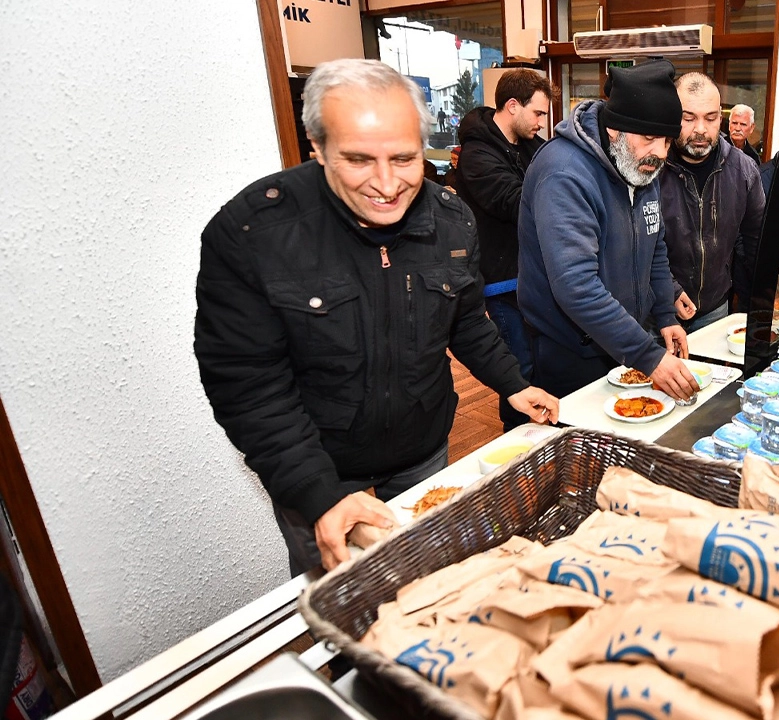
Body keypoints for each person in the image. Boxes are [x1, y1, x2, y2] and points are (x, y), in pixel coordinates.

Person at [194, 59, 559, 574]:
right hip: (317, 464)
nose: (387, 184)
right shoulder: (253, 233)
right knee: (339, 593)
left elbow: (467, 319)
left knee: (429, 576)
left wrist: (511, 383)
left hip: (420, 447)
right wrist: (316, 494)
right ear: (318, 147)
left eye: (405, 159)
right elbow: (246, 384)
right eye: (360, 160)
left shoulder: (452, 221)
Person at [518, 60, 699, 401]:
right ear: (615, 129)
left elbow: (654, 245)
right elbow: (576, 286)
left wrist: (664, 314)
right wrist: (648, 355)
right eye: (649, 138)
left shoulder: (640, 163)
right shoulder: (564, 172)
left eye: (667, 141)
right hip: (570, 349)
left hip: (623, 340)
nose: (660, 154)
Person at [454, 69, 552, 430]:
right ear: (513, 105)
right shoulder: (476, 155)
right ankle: (515, 444)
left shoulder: (531, 147)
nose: (542, 123)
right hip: (501, 280)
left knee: (541, 361)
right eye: (538, 114)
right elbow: (515, 202)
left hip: (533, 274)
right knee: (517, 368)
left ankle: (541, 436)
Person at [659, 72, 766, 331]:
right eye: (688, 118)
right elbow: (638, 246)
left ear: (721, 116)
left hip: (715, 309)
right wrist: (669, 290)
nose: (700, 129)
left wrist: (764, 297)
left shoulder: (744, 170)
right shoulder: (652, 166)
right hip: (658, 310)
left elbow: (756, 241)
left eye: (710, 118)